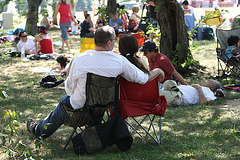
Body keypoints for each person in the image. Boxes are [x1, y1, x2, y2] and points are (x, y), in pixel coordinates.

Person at [26, 26, 164, 139]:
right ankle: (91, 132)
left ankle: (39, 131)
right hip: (103, 108)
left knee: (64, 102)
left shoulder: (80, 59)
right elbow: (141, 78)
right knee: (85, 106)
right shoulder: (119, 61)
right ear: (109, 43)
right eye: (114, 40)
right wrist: (157, 70)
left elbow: (68, 88)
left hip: (80, 108)